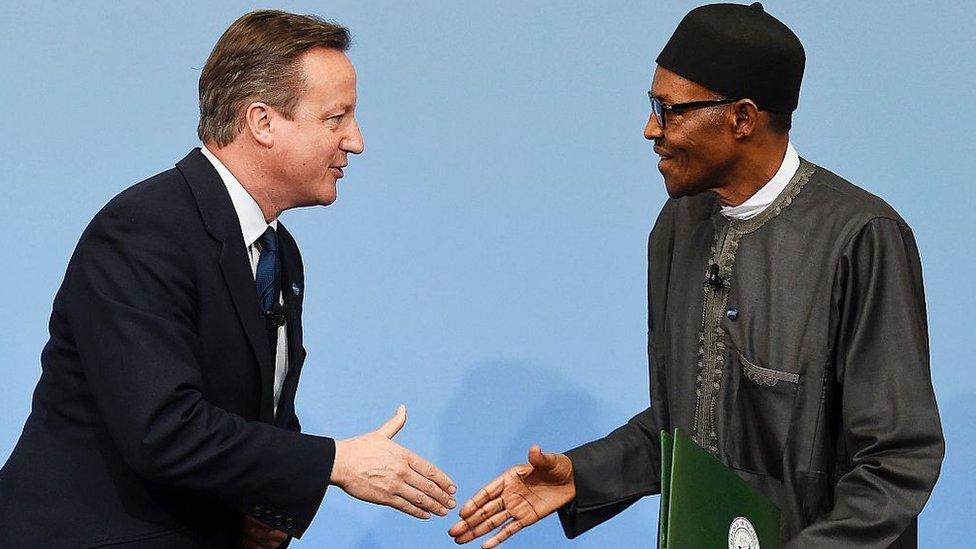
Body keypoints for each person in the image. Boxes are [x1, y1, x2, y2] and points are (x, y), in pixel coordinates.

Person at [448, 3, 943, 548]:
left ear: (742, 118)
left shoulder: (862, 237)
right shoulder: (678, 227)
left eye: (668, 109)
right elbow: (684, 423)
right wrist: (580, 476)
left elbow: (896, 463)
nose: (649, 129)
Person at [0, 10, 456, 548]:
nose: (355, 141)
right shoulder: (144, 231)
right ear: (262, 122)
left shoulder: (278, 251)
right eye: (337, 118)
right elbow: (163, 427)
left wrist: (265, 511)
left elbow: (258, 414)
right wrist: (333, 461)